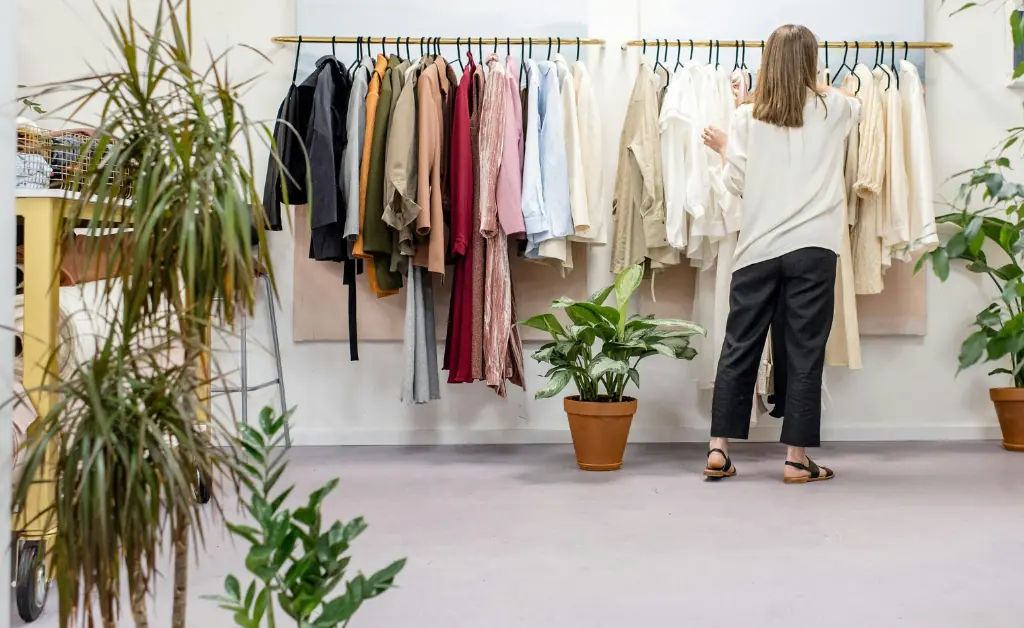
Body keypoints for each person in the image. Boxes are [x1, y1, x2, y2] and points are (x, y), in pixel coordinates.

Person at [699, 24, 856, 484]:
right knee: (804, 351)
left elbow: (736, 184)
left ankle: (718, 451)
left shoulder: (747, 118)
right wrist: (811, 80)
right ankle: (795, 459)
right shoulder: (836, 108)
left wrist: (729, 146)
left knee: (738, 346)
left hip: (758, 248)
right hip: (813, 247)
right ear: (812, 62)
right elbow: (850, 104)